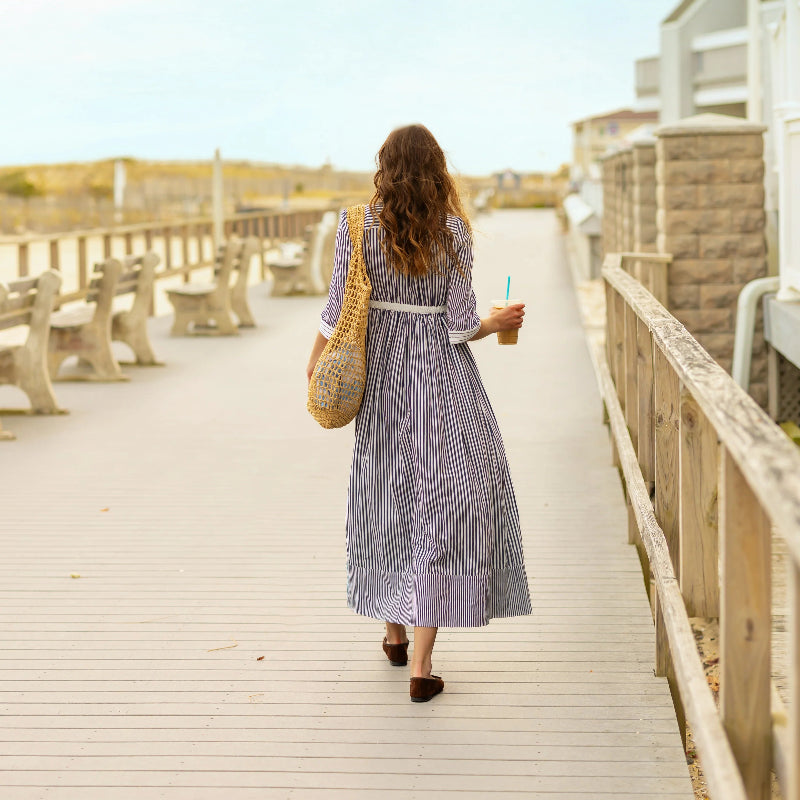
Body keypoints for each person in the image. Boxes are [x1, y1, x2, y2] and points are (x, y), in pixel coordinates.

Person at [306, 124, 532, 702]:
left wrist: (316, 362)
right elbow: (460, 324)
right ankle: (421, 668)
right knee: (444, 503)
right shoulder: (452, 230)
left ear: (384, 165)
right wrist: (499, 323)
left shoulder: (354, 225)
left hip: (379, 380)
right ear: (438, 169)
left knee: (385, 495)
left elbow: (337, 306)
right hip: (440, 382)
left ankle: (393, 632)